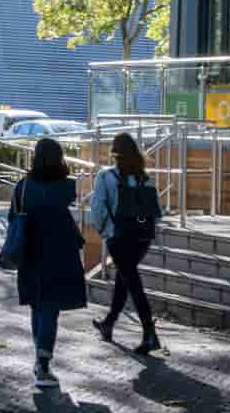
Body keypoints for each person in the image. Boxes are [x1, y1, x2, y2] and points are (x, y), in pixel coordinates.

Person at [11, 135, 88, 390]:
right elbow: (64, 201)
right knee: (50, 308)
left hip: (30, 251)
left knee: (38, 304)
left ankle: (40, 360)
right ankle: (42, 363)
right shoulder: (66, 186)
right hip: (59, 253)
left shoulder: (22, 186)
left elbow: (13, 217)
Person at [88, 131, 163, 355]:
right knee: (124, 278)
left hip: (118, 237)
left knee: (132, 283)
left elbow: (98, 209)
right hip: (142, 238)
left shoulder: (106, 176)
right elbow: (157, 212)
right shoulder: (146, 177)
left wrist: (103, 231)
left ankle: (150, 334)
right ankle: (109, 323)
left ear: (115, 152)